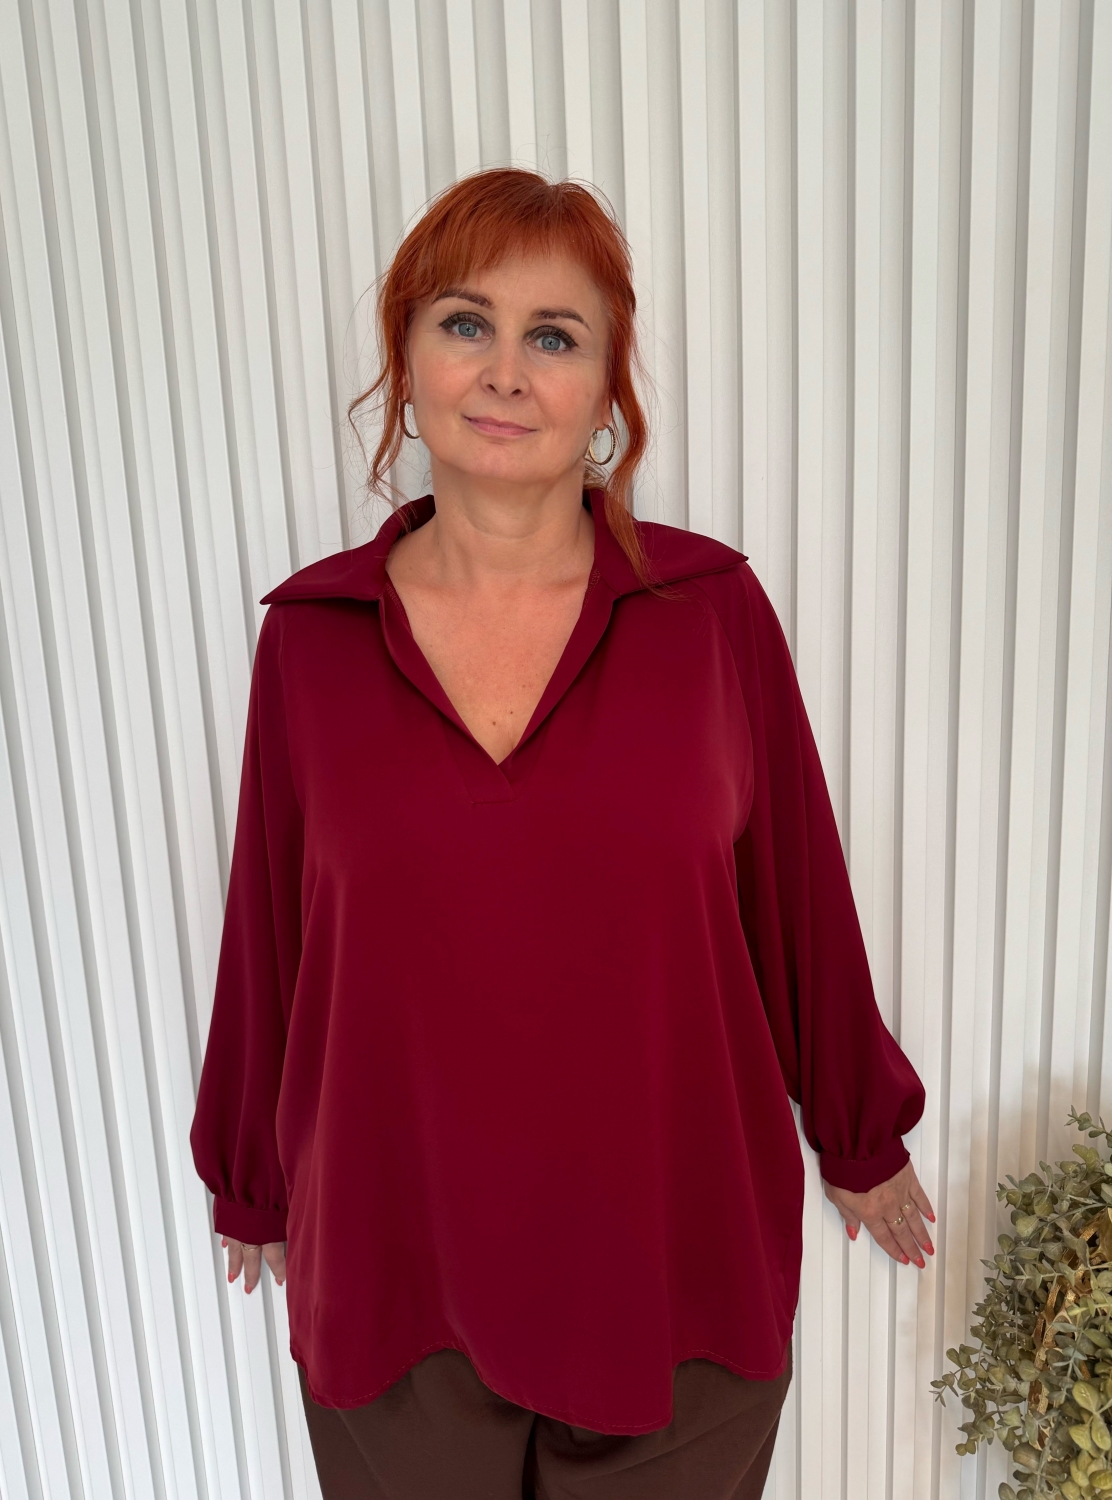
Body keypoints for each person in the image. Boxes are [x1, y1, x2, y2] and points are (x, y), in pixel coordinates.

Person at [189, 167, 934, 1500]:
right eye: (465, 323)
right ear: (406, 360)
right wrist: (250, 1174)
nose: (505, 371)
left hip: (677, 1267)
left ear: (604, 393)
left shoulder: (709, 614)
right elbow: (273, 927)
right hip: (395, 1276)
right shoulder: (311, 641)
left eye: (553, 335)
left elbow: (795, 893)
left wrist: (860, 1130)